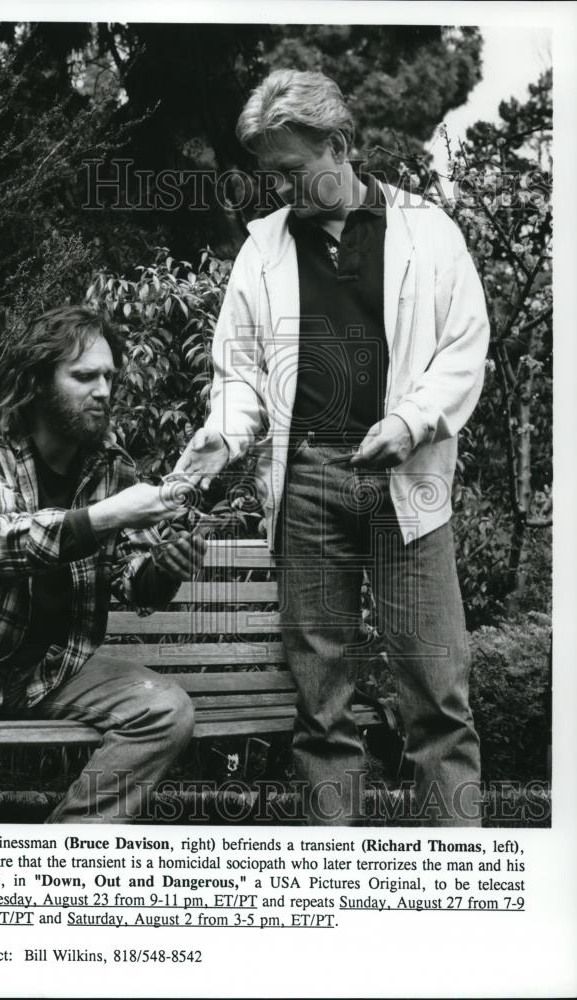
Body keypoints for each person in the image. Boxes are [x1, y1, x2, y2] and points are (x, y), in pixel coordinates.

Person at [175, 69, 490, 826]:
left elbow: (463, 350)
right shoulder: (262, 251)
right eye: (269, 175)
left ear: (338, 145)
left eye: (290, 170)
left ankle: (460, 877)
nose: (278, 188)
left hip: (407, 485)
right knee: (322, 711)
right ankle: (331, 882)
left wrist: (410, 422)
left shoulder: (428, 233)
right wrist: (221, 437)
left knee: (437, 699)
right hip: (308, 484)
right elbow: (239, 372)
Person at [0, 304, 204, 823]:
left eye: (110, 376)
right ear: (39, 382)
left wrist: (165, 568)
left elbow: (134, 583)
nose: (104, 391)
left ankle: (55, 860)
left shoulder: (111, 467)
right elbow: (0, 541)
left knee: (165, 711)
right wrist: (108, 514)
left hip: (56, 666)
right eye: (84, 376)